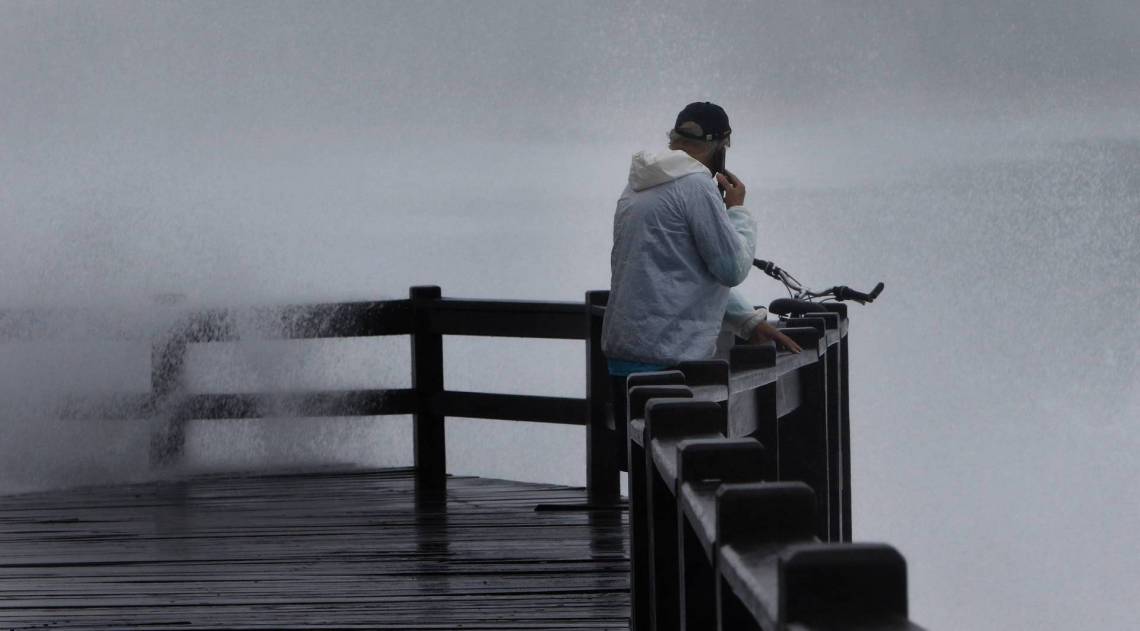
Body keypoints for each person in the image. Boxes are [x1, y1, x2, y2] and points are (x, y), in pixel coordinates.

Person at [601, 102, 801, 463]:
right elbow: (731, 267)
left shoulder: (638, 185)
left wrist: (748, 320)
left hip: (625, 356)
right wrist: (737, 210)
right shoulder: (695, 185)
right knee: (677, 478)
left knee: (649, 477)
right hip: (670, 360)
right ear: (720, 144)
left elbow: (680, 273)